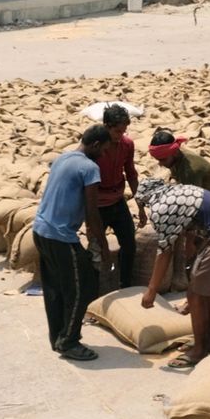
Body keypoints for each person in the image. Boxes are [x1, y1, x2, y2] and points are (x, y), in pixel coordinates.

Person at [32, 125, 112, 362]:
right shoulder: (89, 168)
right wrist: (104, 247)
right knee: (82, 288)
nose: (105, 155)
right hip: (61, 237)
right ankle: (69, 341)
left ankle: (58, 336)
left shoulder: (62, 157)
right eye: (104, 150)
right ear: (95, 145)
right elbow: (92, 212)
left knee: (54, 287)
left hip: (40, 230)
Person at [137, 174, 210, 369]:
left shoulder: (161, 208)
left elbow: (164, 253)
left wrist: (151, 291)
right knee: (200, 293)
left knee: (195, 295)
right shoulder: (177, 193)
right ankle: (207, 343)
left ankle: (199, 350)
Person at [150, 129, 210, 324]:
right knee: (193, 259)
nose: (160, 164)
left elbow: (192, 206)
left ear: (173, 153)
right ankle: (193, 299)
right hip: (199, 206)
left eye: (162, 159)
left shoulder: (191, 169)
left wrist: (190, 239)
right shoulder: (175, 161)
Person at [91, 104, 146, 289]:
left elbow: (131, 173)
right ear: (106, 126)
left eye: (123, 131)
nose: (119, 135)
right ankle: (93, 292)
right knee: (96, 249)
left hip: (117, 201)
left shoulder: (127, 145)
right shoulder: (96, 146)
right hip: (97, 205)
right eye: (116, 131)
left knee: (129, 244)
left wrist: (139, 204)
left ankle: (125, 285)